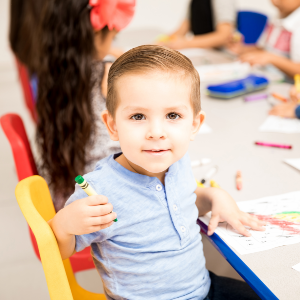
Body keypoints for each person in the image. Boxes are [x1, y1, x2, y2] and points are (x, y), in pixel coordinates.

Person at [49, 45, 265, 300]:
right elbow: (59, 252)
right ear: (112, 125)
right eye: (138, 116)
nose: (156, 132)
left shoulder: (178, 161)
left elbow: (183, 201)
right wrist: (63, 225)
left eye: (172, 115)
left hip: (202, 288)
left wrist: (215, 198)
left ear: (194, 124)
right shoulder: (99, 191)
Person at [36, 0, 135, 211]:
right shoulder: (107, 77)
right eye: (112, 36)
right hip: (100, 206)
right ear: (96, 33)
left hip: (68, 196)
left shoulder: (55, 73)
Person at [230, 0, 300, 79]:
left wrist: (272, 58)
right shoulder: (277, 16)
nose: (274, 1)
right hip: (267, 76)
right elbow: (264, 49)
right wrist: (243, 49)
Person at [159, 0, 236, 50]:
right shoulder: (193, 2)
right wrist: (161, 42)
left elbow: (224, 36)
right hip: (202, 51)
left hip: (221, 55)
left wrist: (186, 43)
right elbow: (181, 30)